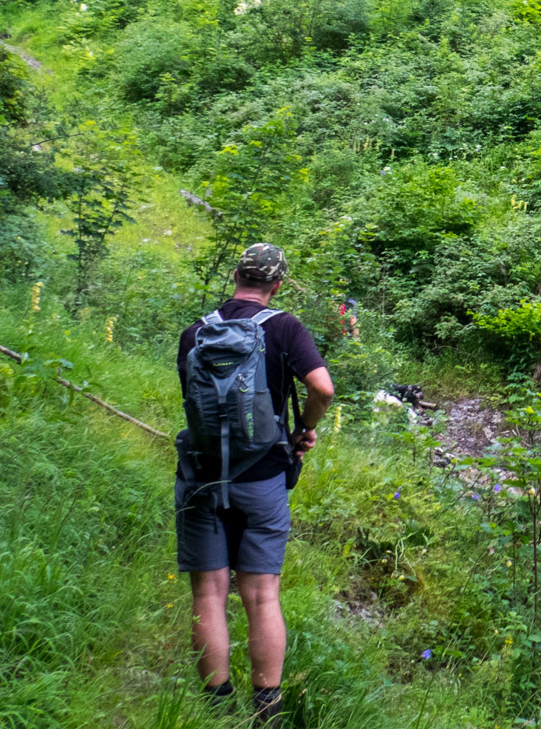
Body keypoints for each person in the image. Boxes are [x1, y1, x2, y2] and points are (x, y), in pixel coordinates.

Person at [175, 244, 335, 726]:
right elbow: (322, 387)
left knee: (208, 593)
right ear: (277, 285)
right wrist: (304, 428)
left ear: (235, 275)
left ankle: (216, 709)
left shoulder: (195, 333)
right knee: (262, 594)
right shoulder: (284, 327)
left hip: (203, 477)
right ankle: (265, 712)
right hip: (263, 477)